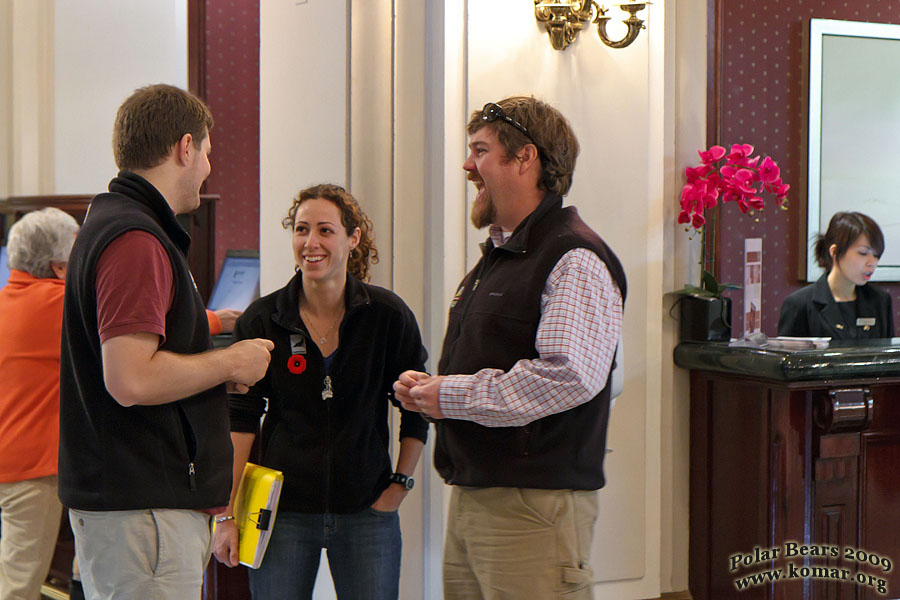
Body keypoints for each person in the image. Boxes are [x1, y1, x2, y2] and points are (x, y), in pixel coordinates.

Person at [393, 96, 626, 599]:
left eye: (480, 150)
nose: (467, 165)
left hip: (532, 509)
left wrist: (448, 395)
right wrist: (431, 391)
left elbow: (568, 375)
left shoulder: (573, 256)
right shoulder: (501, 258)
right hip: (480, 497)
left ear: (526, 159)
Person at [58, 83, 274, 599]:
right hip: (143, 511)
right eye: (206, 151)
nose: (207, 167)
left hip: (135, 505)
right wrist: (231, 363)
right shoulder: (136, 238)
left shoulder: (117, 224)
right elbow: (131, 378)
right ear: (183, 147)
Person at [212, 183, 428, 600]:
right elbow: (240, 420)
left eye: (325, 230)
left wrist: (399, 483)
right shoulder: (264, 319)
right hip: (281, 515)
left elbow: (416, 407)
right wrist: (227, 514)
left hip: (368, 511)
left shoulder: (386, 316)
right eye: (301, 229)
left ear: (353, 238)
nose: (311, 243)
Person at [0, 208, 79, 600]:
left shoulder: (6, 299)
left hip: (9, 459)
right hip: (32, 469)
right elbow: (131, 325)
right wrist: (216, 322)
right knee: (20, 588)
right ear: (60, 266)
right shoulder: (59, 302)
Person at [778, 211, 893, 339]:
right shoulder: (799, 305)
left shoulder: (880, 300)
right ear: (835, 252)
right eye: (863, 253)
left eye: (876, 255)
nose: (872, 263)